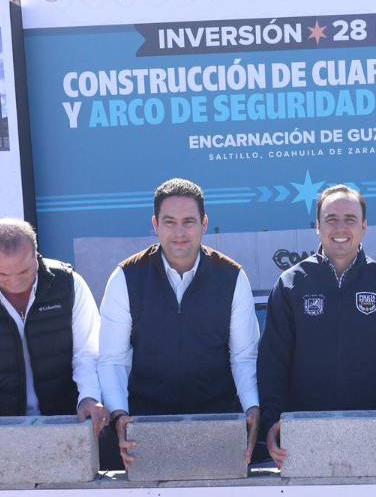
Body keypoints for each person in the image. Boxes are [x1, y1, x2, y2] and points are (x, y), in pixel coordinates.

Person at [257, 184, 376, 469]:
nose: (340, 228)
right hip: (304, 434)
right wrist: (272, 421)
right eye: (331, 219)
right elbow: (272, 362)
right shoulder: (291, 284)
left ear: (364, 226)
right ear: (317, 226)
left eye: (350, 219)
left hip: (375, 434)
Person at [98, 178, 260, 469]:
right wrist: (119, 414)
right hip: (145, 427)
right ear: (155, 224)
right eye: (170, 222)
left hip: (217, 424)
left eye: (189, 222)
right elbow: (112, 360)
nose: (179, 232)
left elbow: (244, 357)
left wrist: (252, 407)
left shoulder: (232, 276)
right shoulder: (126, 277)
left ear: (204, 224)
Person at [0, 218, 107, 491]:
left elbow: (88, 352)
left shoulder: (69, 285)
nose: (15, 282)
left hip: (67, 422)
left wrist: (89, 396)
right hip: (2, 430)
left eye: (24, 271)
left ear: (36, 254)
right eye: (3, 274)